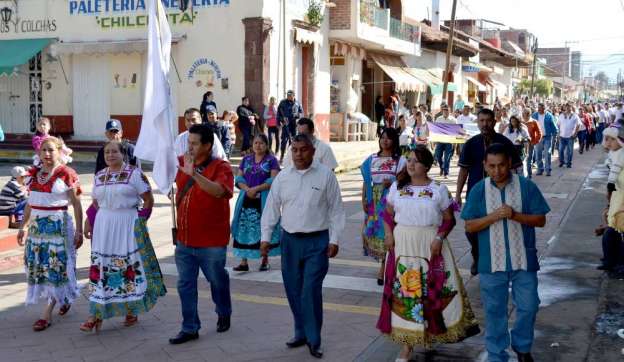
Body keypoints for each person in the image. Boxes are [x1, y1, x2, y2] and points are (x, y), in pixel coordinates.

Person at [379, 146, 480, 361]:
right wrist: (388, 234)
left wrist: (439, 238)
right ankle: (407, 346)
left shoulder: (438, 190)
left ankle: (429, 333)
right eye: (409, 160)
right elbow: (387, 214)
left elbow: (449, 219)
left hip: (430, 244)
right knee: (406, 293)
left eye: (416, 160)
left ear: (426, 165)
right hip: (402, 244)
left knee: (430, 289)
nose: (411, 164)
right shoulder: (397, 187)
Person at [461, 144, 550, 362]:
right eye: (491, 166)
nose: (497, 171)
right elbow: (469, 226)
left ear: (509, 163)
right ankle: (496, 354)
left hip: (523, 259)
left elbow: (541, 220)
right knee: (494, 312)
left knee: (529, 306)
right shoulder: (478, 190)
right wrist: (492, 217)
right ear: (484, 165)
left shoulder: (526, 186)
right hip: (490, 262)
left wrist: (515, 215)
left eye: (501, 165)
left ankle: (522, 346)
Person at [260, 134, 346, 359]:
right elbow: (271, 207)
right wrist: (265, 237)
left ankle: (314, 339)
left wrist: (334, 239)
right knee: (293, 289)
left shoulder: (325, 176)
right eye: (294, 150)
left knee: (310, 290)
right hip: (290, 241)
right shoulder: (283, 177)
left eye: (303, 150)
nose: (298, 154)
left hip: (317, 241)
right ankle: (300, 332)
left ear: (313, 151)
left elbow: (336, 210)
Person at [81, 141, 166, 332]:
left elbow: (148, 200)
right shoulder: (99, 176)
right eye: (107, 152)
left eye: (114, 151)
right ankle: (96, 312)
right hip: (104, 226)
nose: (110, 155)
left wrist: (140, 222)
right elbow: (96, 203)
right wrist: (90, 222)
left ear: (123, 154)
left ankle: (131, 309)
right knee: (101, 266)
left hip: (127, 223)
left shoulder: (134, 174)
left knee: (128, 266)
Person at [169, 124, 233, 345]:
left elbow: (219, 192)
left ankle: (224, 310)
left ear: (208, 145)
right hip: (185, 239)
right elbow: (163, 171)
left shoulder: (221, 166)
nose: (190, 147)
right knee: (185, 284)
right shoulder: (180, 161)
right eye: (189, 143)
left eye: (195, 144)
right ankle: (190, 328)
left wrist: (194, 174)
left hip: (211, 241)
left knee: (216, 279)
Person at [16, 137, 83, 331]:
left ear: (60, 152)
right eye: (43, 150)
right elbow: (30, 203)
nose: (46, 154)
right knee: (40, 267)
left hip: (58, 227)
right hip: (37, 229)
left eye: (51, 150)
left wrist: (79, 230)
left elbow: (77, 205)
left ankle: (47, 313)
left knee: (56, 267)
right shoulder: (34, 174)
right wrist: (23, 226)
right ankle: (64, 296)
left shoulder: (67, 174)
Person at [455, 108, 522, 276]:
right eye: (481, 121)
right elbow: (463, 171)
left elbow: (515, 171)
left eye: (488, 120)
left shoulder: (505, 143)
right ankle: (477, 255)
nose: (485, 124)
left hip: (501, 193)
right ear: (477, 122)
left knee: (499, 226)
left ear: (494, 121)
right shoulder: (471, 144)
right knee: (470, 229)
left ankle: (499, 259)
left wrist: (516, 193)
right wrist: (457, 195)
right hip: (476, 194)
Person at [361, 128, 407, 285]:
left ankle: (384, 268)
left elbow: (405, 181)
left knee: (390, 232)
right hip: (375, 200)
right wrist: (364, 199)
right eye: (382, 138)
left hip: (391, 201)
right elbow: (366, 182)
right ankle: (384, 264)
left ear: (395, 141)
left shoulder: (401, 160)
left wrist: (393, 182)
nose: (385, 140)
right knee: (378, 234)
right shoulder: (371, 159)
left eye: (389, 138)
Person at [231, 134, 281, 272]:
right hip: (246, 198)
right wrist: (247, 189)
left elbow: (273, 180)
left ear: (266, 145)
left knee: (264, 228)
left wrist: (257, 189)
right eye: (255, 143)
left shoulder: (272, 160)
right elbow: (239, 177)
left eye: (261, 143)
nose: (258, 146)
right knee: (244, 228)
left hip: (264, 199)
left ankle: (265, 260)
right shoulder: (246, 159)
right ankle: (243, 261)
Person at [531, 104, 557, 177]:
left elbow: (554, 126)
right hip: (538, 138)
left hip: (547, 137)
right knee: (538, 154)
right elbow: (530, 125)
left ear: (544, 108)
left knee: (547, 153)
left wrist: (555, 135)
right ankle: (540, 169)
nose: (539, 110)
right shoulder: (534, 115)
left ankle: (548, 170)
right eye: (538, 108)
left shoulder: (549, 116)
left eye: (540, 108)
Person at [277, 90, 304, 162]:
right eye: (287, 95)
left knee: (293, 141)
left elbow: (301, 113)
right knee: (284, 141)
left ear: (293, 95)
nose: (288, 96)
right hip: (286, 124)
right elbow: (278, 113)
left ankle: (291, 157)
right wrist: (281, 120)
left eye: (290, 95)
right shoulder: (282, 103)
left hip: (294, 125)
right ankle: (282, 156)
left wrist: (298, 118)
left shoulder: (298, 103)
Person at [434, 105, 457, 179]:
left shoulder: (453, 120)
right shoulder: (438, 119)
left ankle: (446, 173)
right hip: (440, 141)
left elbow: (456, 131)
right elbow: (435, 130)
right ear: (442, 111)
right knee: (438, 156)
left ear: (449, 111)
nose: (445, 111)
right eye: (444, 110)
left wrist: (455, 142)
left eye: (447, 110)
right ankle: (442, 167)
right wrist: (434, 140)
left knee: (447, 157)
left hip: (449, 141)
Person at [557, 104, 580, 168]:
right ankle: (561, 162)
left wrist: (575, 133)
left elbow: (578, 124)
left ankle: (569, 163)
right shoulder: (561, 115)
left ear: (571, 108)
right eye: (566, 107)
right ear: (565, 108)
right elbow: (558, 125)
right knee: (560, 150)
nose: (567, 109)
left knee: (570, 151)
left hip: (570, 136)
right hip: (562, 136)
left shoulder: (574, 115)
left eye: (569, 107)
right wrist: (558, 133)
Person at [521, 109, 542, 179]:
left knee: (528, 160)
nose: (522, 115)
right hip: (521, 145)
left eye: (524, 113)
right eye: (522, 113)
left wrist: (534, 142)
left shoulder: (534, 122)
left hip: (530, 144)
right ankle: (523, 175)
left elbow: (539, 133)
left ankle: (529, 176)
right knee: (522, 160)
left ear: (528, 114)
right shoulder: (520, 122)